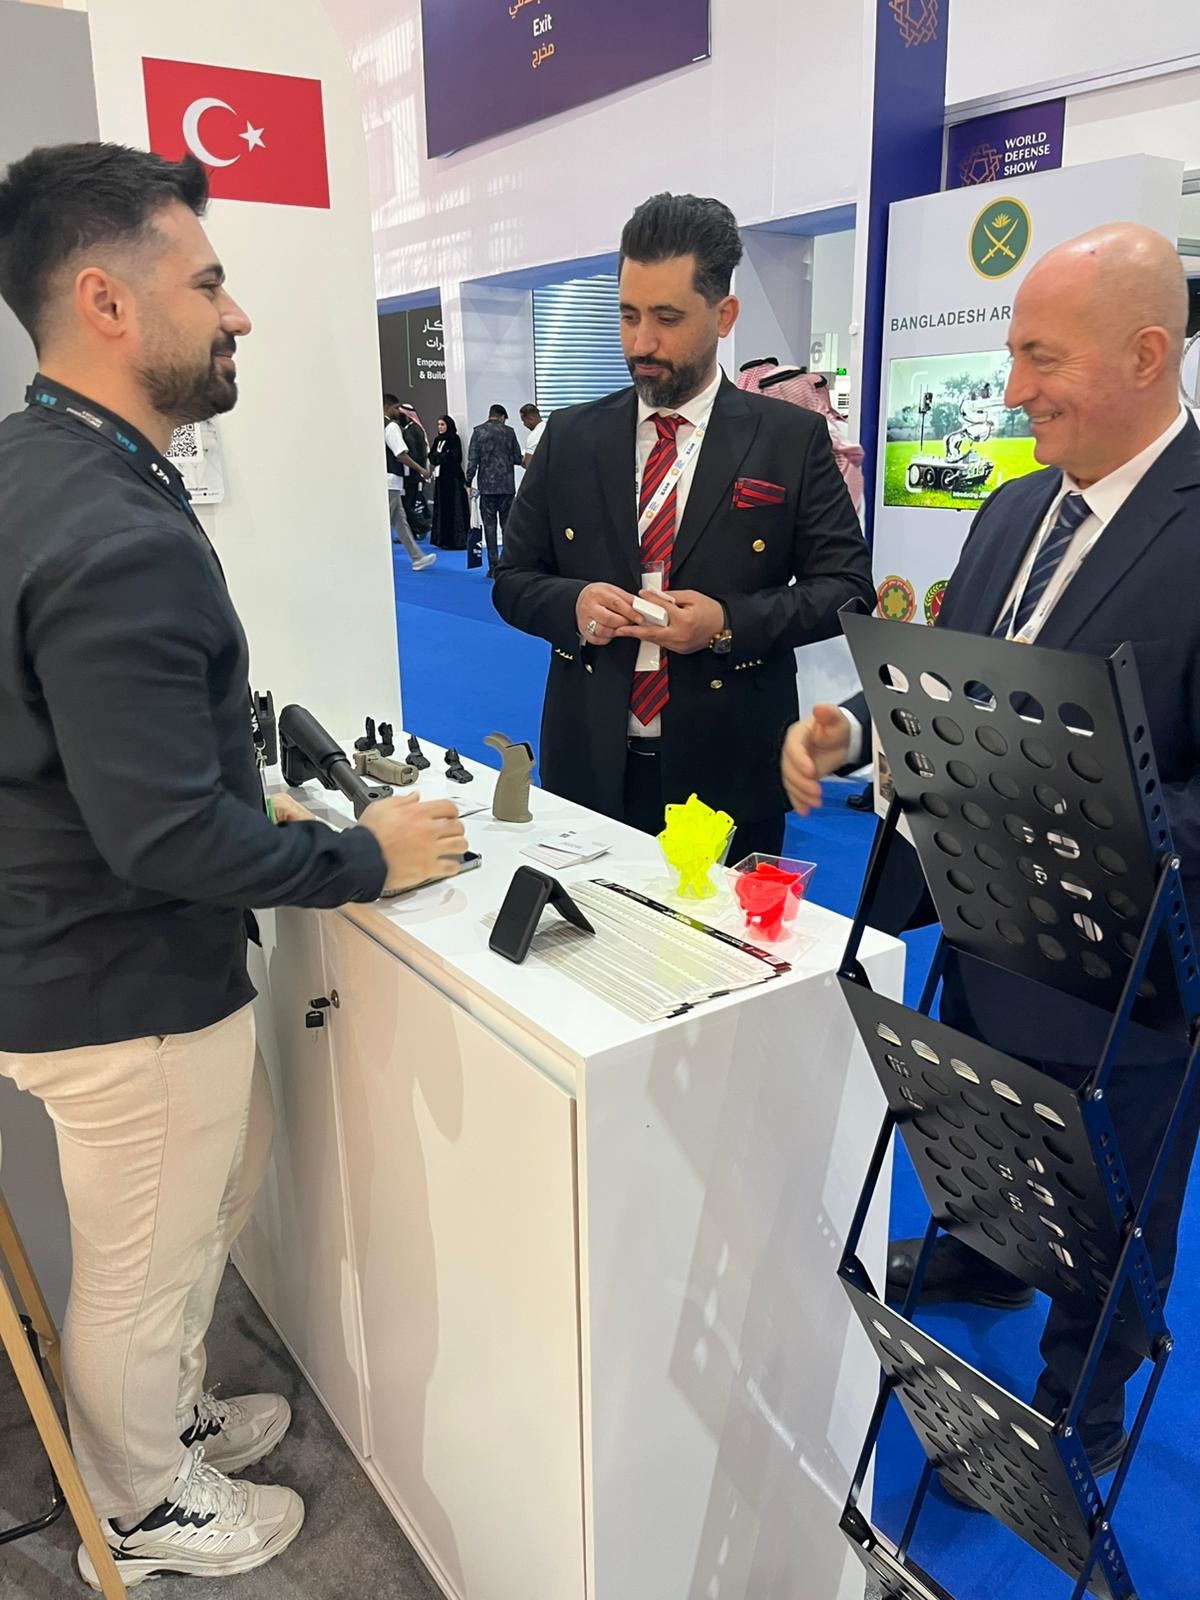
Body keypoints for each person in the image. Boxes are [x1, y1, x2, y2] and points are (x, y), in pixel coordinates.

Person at [0, 142, 468, 1587]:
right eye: (208, 283)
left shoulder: (42, 467)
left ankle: (162, 1421)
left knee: (207, 1201)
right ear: (107, 301)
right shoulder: (108, 528)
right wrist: (362, 854)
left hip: (88, 949)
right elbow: (162, 837)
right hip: (119, 978)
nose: (238, 312)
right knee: (141, 1265)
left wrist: (219, 779)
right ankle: (142, 1507)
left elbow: (97, 751)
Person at [782, 222, 1200, 1488]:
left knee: (1115, 1197)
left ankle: (1085, 1400)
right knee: (979, 1111)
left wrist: (1048, 797)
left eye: (1040, 357)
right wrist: (859, 729)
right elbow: (960, 680)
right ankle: (981, 1256)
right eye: (1013, 353)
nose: (1012, 389)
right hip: (978, 919)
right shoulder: (1018, 505)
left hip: (1130, 967)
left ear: (1147, 354)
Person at [493, 191, 873, 859]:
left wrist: (727, 623)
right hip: (590, 760)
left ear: (724, 315)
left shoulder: (789, 439)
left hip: (732, 765)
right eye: (628, 315)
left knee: (723, 930)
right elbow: (513, 578)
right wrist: (572, 603)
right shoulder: (571, 436)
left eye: (667, 318)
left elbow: (847, 588)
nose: (642, 343)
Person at [465, 402, 523, 577]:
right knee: (507, 525)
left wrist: (468, 482)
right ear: (503, 417)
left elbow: (472, 461)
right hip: (506, 487)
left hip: (487, 487)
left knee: (489, 526)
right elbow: (517, 458)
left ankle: (493, 567)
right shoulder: (509, 432)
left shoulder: (478, 432)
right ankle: (508, 564)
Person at [384, 394, 435, 570]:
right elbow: (400, 454)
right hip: (390, 480)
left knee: (400, 521)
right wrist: (421, 469)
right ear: (387, 407)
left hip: (389, 480)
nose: (398, 411)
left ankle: (417, 557)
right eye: (395, 408)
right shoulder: (391, 427)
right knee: (386, 523)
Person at [429, 414, 470, 550]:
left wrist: (440, 456)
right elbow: (432, 457)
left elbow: (454, 457)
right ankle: (442, 539)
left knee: (454, 508)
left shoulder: (454, 439)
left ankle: (456, 540)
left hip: (453, 478)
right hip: (441, 478)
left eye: (442, 424)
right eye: (439, 424)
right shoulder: (437, 439)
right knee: (442, 507)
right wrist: (441, 456)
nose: (440, 427)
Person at [398, 401, 433, 537]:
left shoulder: (412, 431)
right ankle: (414, 530)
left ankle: (422, 526)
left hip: (413, 474)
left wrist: (418, 470)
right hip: (415, 473)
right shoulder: (414, 429)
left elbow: (414, 454)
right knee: (409, 504)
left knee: (407, 504)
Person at [520, 401, 546, 468]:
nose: (524, 424)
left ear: (531, 419)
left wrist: (523, 460)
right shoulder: (549, 429)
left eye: (524, 421)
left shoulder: (534, 435)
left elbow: (529, 466)